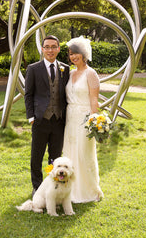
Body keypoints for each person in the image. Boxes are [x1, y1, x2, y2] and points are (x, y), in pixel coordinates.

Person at [24, 35, 70, 196]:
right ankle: (37, 186)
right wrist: (31, 116)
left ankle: (54, 185)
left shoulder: (65, 68)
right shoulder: (33, 68)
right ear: (42, 49)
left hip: (58, 121)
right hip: (40, 119)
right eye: (47, 47)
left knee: (56, 157)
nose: (50, 50)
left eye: (53, 47)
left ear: (58, 49)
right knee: (36, 156)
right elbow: (28, 94)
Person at [62, 36, 104, 203]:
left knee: (83, 154)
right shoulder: (70, 73)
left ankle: (88, 191)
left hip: (84, 118)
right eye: (71, 54)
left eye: (76, 53)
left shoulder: (91, 73)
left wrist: (94, 122)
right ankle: (69, 190)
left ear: (84, 54)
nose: (73, 57)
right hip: (69, 118)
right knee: (69, 152)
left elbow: (95, 100)